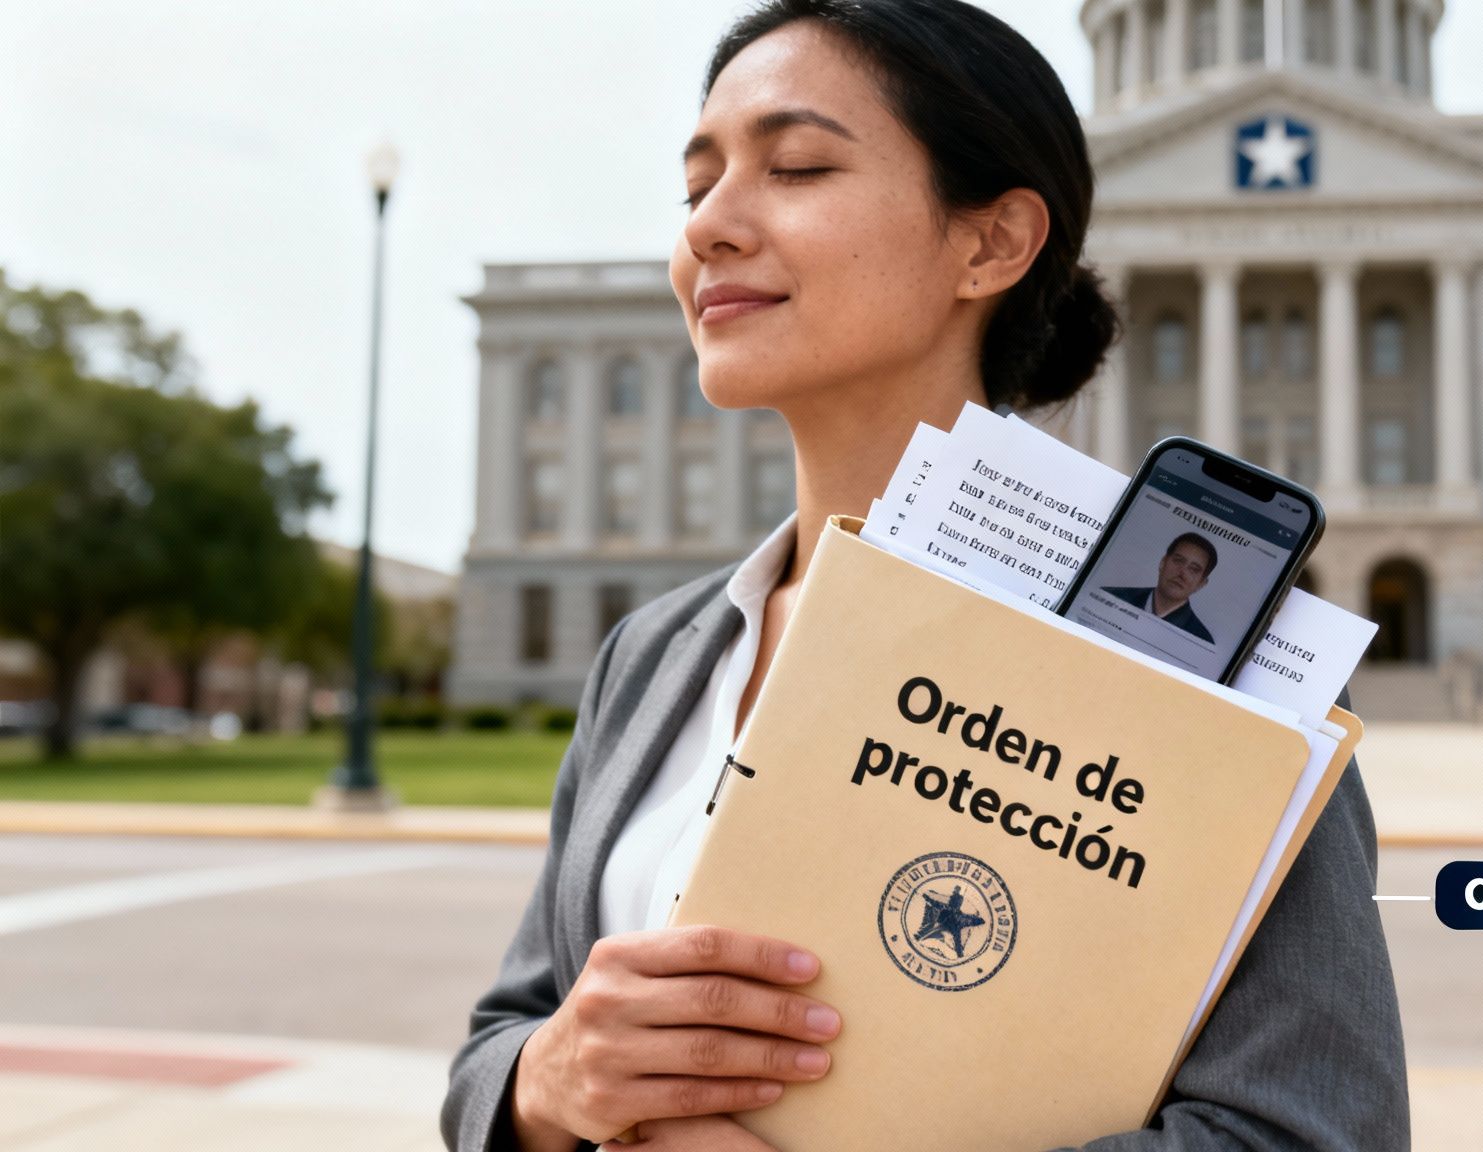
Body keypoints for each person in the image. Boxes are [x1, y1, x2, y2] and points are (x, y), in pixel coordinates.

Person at [439, 2, 1409, 1149]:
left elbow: (1311, 1133)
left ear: (991, 243)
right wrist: (546, 1082)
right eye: (694, 187)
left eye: (795, 166)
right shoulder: (655, 654)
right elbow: (506, 1038)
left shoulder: (1215, 686)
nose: (710, 228)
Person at [1102, 532, 1218, 642]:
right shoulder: (1109, 597)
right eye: (1178, 561)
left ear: (1201, 584)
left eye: (1193, 569)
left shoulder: (1201, 639)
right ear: (1162, 563)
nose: (1182, 573)